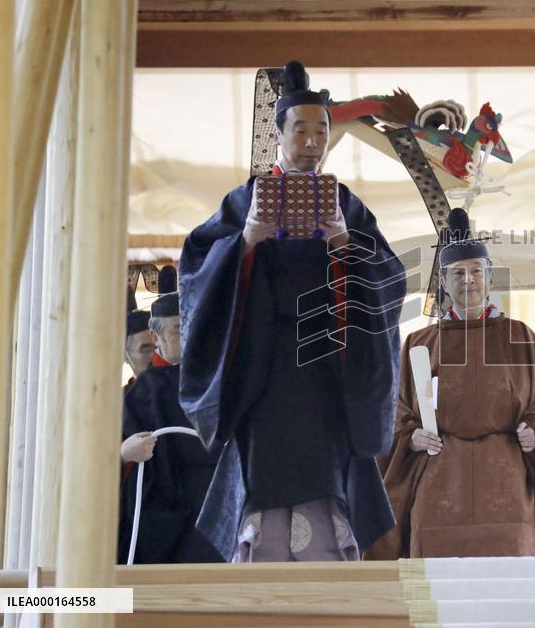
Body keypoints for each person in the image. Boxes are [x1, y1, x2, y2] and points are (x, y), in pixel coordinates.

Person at [179, 61, 406, 562]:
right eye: (299, 129)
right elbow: (194, 270)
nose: (311, 141)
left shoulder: (346, 205)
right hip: (265, 367)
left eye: (321, 130)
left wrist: (344, 244)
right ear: (279, 135)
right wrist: (245, 243)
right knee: (261, 479)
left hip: (326, 368)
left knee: (328, 481)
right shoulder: (245, 201)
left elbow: (390, 279)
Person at [368, 209, 535, 558]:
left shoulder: (522, 339)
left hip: (507, 478)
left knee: (510, 578)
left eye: (476, 272)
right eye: (457, 273)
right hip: (438, 475)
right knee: (434, 579)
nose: (468, 280)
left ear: (489, 278)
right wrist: (409, 435)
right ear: (442, 282)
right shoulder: (419, 344)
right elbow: (389, 405)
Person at [119, 293, 223, 564]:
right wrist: (125, 453)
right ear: (156, 338)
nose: (189, 334)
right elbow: (110, 451)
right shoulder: (141, 392)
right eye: (178, 329)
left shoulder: (217, 383)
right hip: (167, 515)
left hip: (218, 503)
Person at [124, 309, 154, 383]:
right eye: (146, 350)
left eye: (159, 348)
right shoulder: (124, 394)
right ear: (125, 356)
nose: (156, 355)